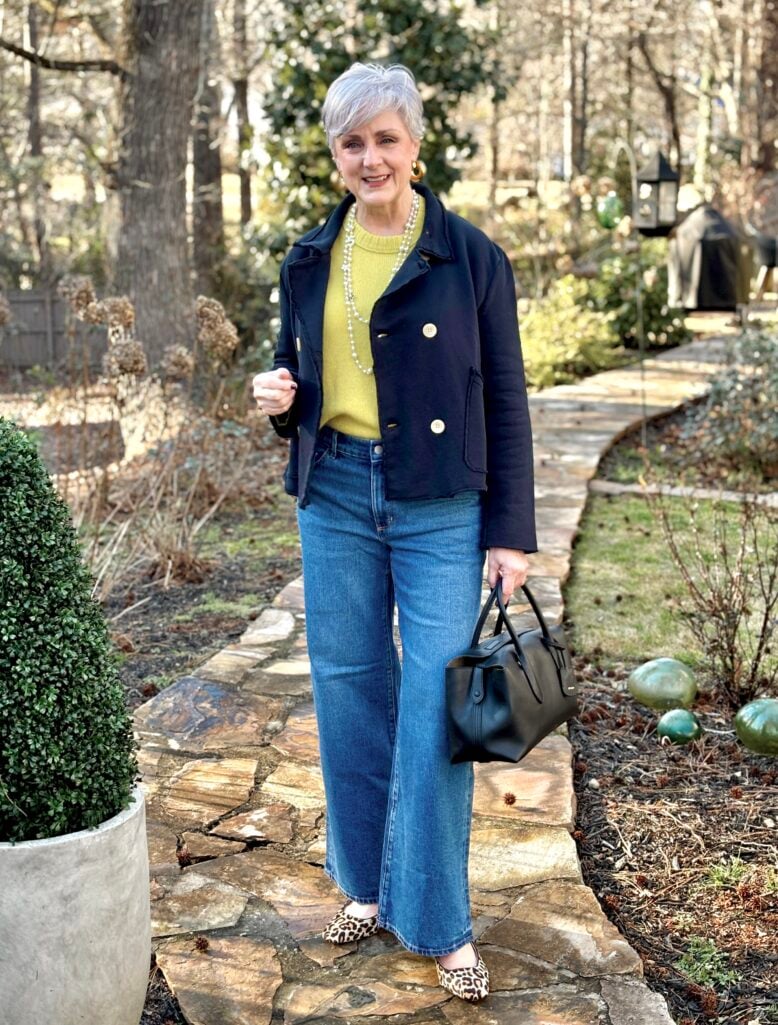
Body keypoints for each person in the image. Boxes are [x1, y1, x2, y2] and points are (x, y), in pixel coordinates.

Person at [252, 62, 537, 1003]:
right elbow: (303, 374)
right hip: (334, 493)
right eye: (351, 142)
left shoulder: (470, 257)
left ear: (416, 144)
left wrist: (512, 531)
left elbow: (505, 397)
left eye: (385, 138)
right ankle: (367, 887)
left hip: (439, 506)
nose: (370, 157)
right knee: (347, 690)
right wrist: (281, 399)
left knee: (435, 706)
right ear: (334, 154)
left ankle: (440, 918)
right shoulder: (307, 256)